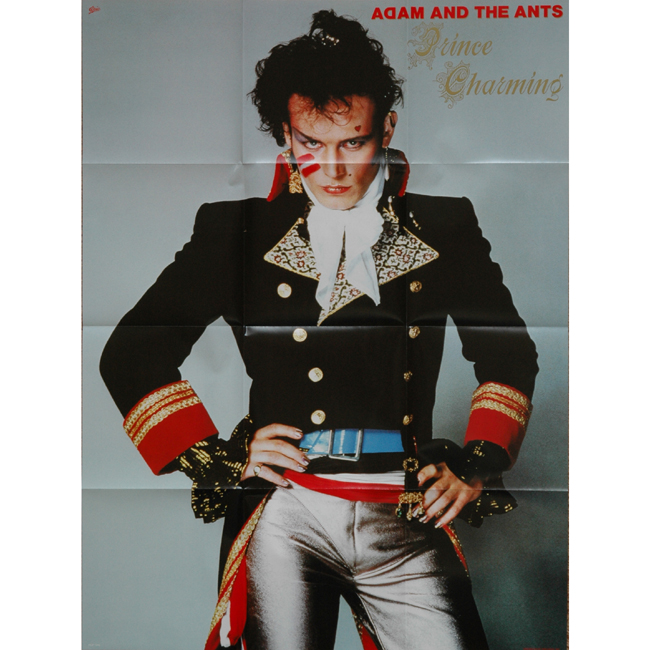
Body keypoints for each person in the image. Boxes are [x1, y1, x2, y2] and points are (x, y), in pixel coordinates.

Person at [100, 10, 538, 650]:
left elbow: (510, 357)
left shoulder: (445, 227)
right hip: (287, 509)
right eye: (310, 142)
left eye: (353, 143)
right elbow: (131, 353)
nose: (331, 167)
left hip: (404, 506)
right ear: (285, 134)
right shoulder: (237, 232)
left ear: (386, 129)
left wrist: (478, 462)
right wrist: (218, 456)